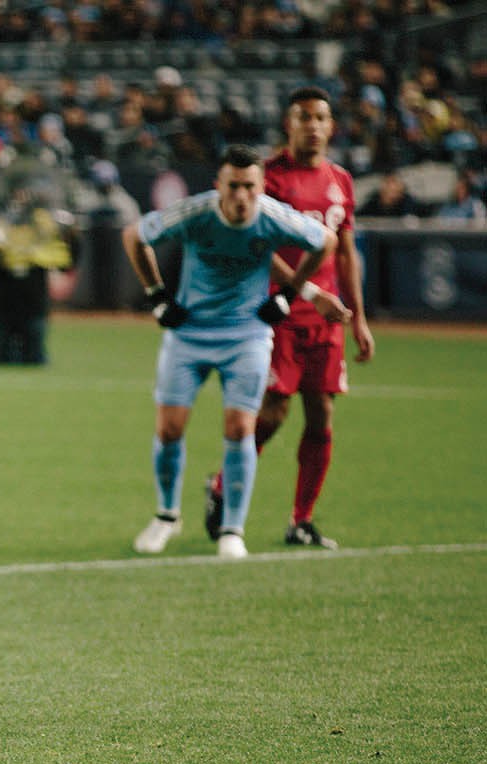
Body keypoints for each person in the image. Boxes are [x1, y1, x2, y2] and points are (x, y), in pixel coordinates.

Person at [123, 145, 348, 559]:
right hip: (189, 333)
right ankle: (167, 517)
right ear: (219, 186)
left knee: (241, 428)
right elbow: (134, 236)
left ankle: (232, 529)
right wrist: (157, 295)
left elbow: (327, 241)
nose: (242, 196)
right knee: (169, 428)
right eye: (234, 186)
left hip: (246, 336)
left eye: (250, 187)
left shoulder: (273, 216)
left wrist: (289, 294)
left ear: (261, 187)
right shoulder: (196, 212)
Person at [204, 87, 376, 550]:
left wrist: (358, 318)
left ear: (332, 126)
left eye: (321, 118)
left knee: (321, 416)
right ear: (289, 123)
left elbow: (345, 253)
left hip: (327, 318)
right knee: (273, 413)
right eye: (304, 117)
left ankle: (301, 520)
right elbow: (257, 246)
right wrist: (308, 291)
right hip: (279, 311)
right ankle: (221, 485)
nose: (313, 126)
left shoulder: (340, 180)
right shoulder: (269, 178)